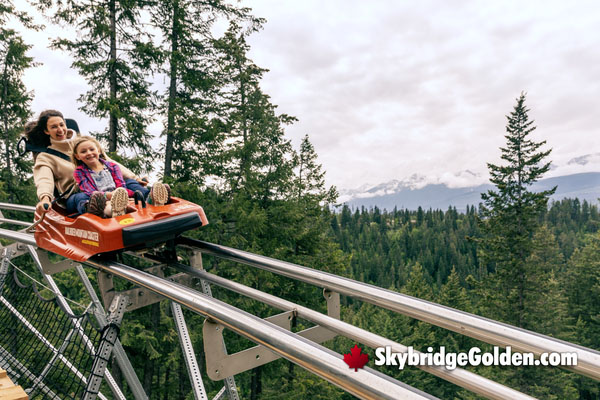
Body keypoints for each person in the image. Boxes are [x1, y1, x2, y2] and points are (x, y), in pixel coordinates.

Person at [26, 109, 153, 216]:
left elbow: (109, 163)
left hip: (105, 185)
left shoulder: (84, 144)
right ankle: (100, 209)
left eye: (61, 124)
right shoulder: (46, 157)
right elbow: (44, 179)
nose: (60, 129)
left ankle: (151, 197)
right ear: (46, 131)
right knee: (83, 198)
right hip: (78, 194)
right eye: (54, 127)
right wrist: (45, 198)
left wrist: (135, 178)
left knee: (128, 183)